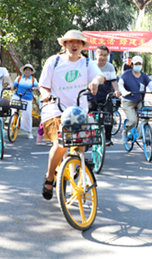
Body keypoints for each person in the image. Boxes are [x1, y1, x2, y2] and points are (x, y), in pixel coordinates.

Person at [39, 30, 105, 200]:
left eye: (78, 42)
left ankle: (75, 171)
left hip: (77, 112)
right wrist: (45, 95)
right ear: (65, 44)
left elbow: (99, 76)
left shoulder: (87, 63)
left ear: (82, 46)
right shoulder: (53, 61)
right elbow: (43, 86)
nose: (74, 45)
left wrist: (95, 81)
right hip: (54, 110)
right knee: (61, 143)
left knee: (80, 145)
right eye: (70, 42)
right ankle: (50, 178)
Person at [118, 55, 152, 143]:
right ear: (132, 65)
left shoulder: (144, 76)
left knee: (147, 115)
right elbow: (120, 84)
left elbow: (151, 84)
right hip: (128, 101)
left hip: (139, 101)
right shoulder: (127, 74)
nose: (138, 65)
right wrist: (124, 92)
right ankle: (125, 131)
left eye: (140, 64)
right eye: (136, 64)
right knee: (133, 120)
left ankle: (142, 133)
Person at [88, 45, 121, 146]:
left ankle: (107, 138)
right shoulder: (90, 65)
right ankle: (88, 136)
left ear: (108, 56)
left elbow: (114, 81)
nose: (103, 57)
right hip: (92, 95)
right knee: (89, 115)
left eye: (105, 55)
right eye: (100, 54)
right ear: (96, 55)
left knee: (108, 115)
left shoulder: (110, 67)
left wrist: (117, 91)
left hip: (106, 96)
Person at [11, 63, 38, 139]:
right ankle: (11, 124)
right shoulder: (19, 78)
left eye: (29, 70)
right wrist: (10, 87)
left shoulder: (33, 79)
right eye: (26, 70)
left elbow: (37, 86)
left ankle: (29, 132)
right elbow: (14, 85)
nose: (27, 72)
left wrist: (34, 88)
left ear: (31, 71)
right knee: (13, 109)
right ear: (23, 71)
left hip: (27, 98)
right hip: (17, 96)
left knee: (28, 115)